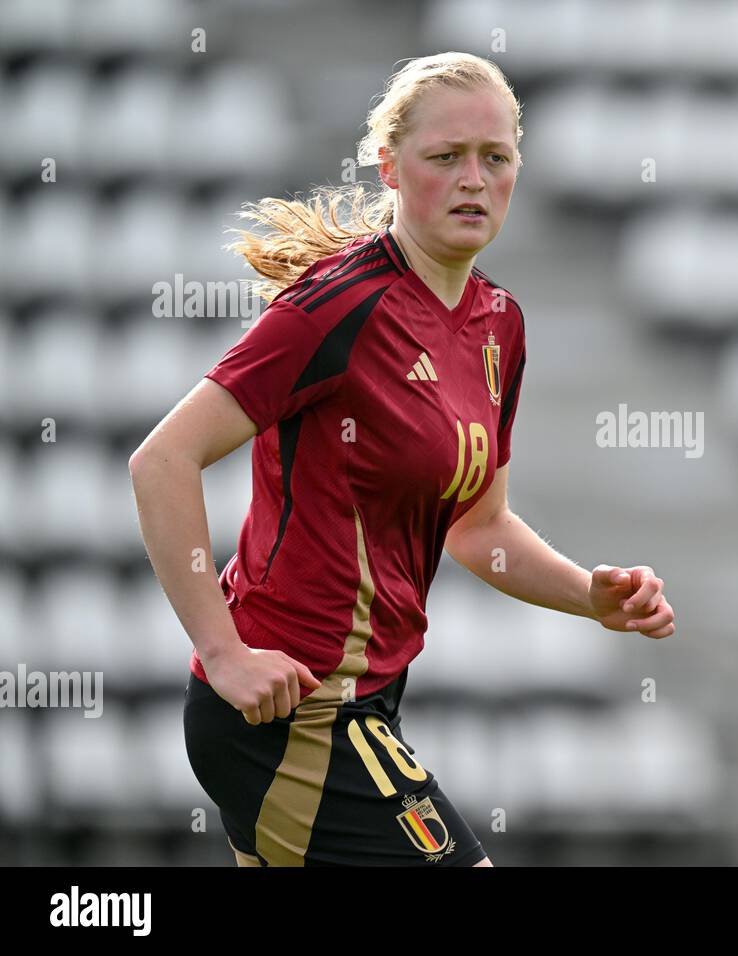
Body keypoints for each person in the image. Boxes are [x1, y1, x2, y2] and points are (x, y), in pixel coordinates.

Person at [128, 52, 675, 867]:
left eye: (495, 158)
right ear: (388, 166)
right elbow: (162, 459)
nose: (473, 180)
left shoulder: (499, 325)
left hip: (371, 700)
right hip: (293, 716)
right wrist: (222, 650)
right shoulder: (336, 305)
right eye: (445, 158)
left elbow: (479, 528)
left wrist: (587, 596)